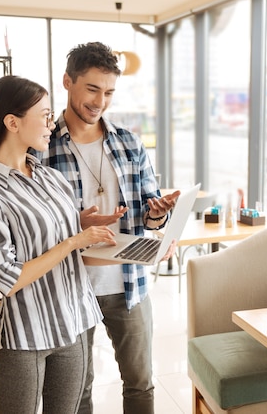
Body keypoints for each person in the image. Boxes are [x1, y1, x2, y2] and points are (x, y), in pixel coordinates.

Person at [0, 75, 117, 413]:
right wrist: (74, 239)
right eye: (44, 116)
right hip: (24, 337)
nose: (51, 124)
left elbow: (59, 243)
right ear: (12, 122)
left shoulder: (49, 177)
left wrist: (87, 229)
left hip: (73, 323)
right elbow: (6, 278)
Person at [35, 42, 178, 414]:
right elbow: (32, 225)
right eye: (92, 89)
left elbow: (150, 213)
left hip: (128, 285)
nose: (100, 102)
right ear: (68, 82)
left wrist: (159, 214)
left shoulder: (129, 143)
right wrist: (76, 224)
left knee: (140, 383)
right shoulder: (41, 148)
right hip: (69, 288)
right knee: (77, 392)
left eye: (109, 92)